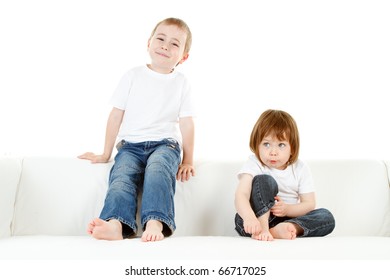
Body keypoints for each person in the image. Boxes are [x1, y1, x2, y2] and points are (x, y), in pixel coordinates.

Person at [78, 17, 195, 242]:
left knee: (158, 169)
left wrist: (188, 159)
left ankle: (155, 220)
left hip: (165, 145)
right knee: (121, 177)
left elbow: (187, 123)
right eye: (160, 39)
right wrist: (105, 153)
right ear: (149, 43)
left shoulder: (181, 82)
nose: (165, 46)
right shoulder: (133, 75)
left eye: (174, 44)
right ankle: (116, 223)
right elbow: (115, 116)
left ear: (184, 56)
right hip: (130, 146)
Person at [234, 109, 335, 241]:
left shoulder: (300, 168)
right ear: (257, 145)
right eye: (266, 144)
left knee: (326, 217)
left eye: (281, 145)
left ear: (292, 148)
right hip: (257, 220)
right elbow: (241, 194)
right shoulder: (255, 163)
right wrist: (249, 218)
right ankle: (264, 229)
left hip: (289, 218)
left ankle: (286, 228)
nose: (273, 152)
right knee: (264, 181)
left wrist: (287, 209)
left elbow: (309, 203)